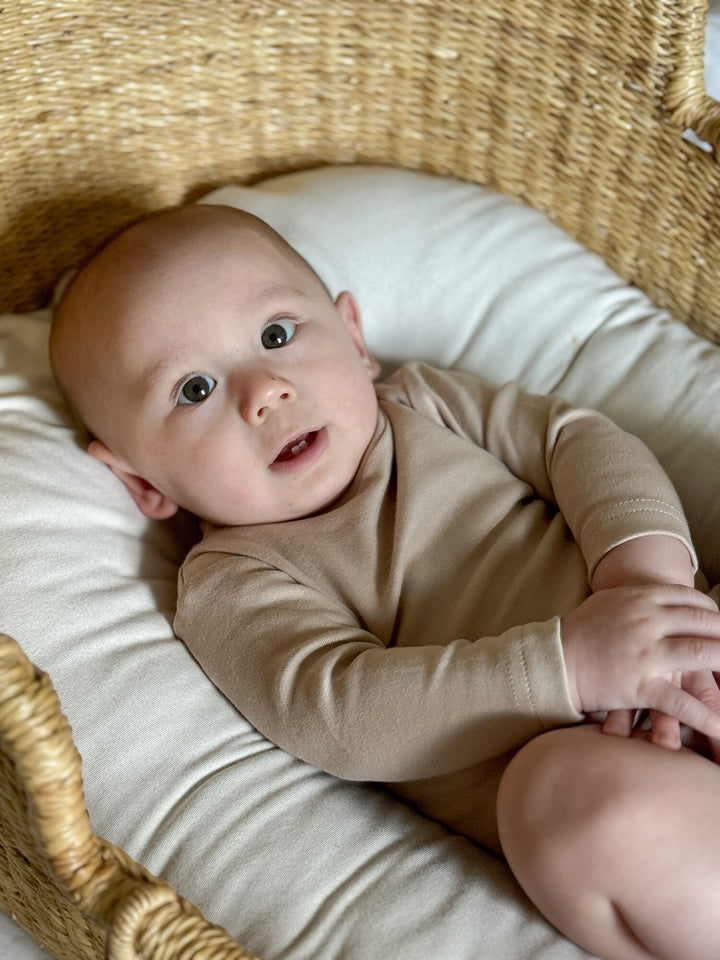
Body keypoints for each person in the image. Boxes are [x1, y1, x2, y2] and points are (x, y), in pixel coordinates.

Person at [50, 202, 720, 960]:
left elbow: (577, 442)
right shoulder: (235, 583)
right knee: (560, 801)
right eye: (194, 389)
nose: (263, 391)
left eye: (276, 335)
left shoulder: (426, 404)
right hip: (603, 764)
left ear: (355, 338)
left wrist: (645, 579)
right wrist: (567, 666)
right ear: (141, 480)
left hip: (693, 639)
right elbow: (337, 713)